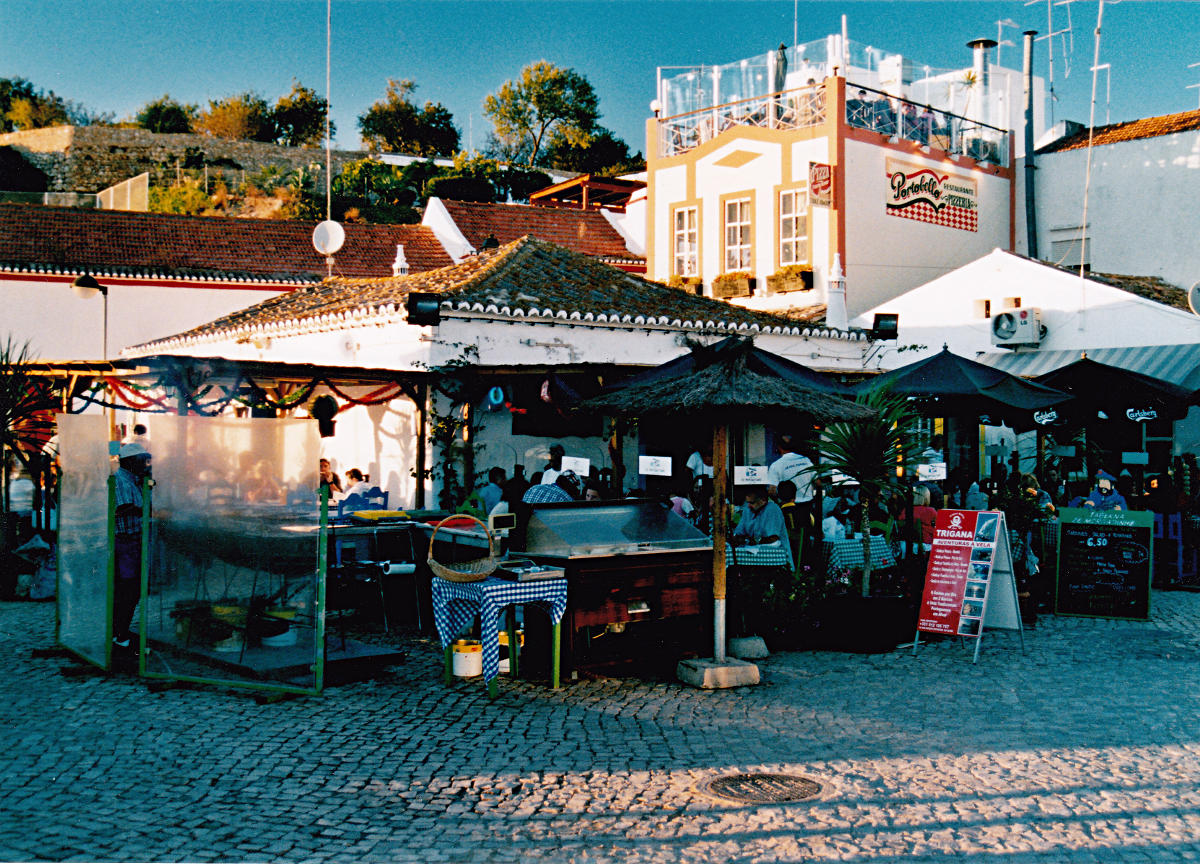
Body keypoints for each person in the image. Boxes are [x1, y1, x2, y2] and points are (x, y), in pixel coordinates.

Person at [113, 442, 152, 651]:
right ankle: (119, 634)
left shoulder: (135, 481)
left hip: (134, 541)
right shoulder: (121, 480)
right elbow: (123, 508)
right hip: (124, 542)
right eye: (141, 461)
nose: (145, 465)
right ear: (129, 462)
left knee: (133, 589)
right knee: (127, 589)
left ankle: (121, 631)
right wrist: (147, 510)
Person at [731, 486, 792, 569]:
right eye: (748, 502)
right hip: (751, 550)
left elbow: (773, 538)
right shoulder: (747, 510)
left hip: (774, 554)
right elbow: (739, 533)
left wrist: (751, 540)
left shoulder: (772, 509)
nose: (748, 506)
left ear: (763, 500)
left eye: (752, 503)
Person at [767, 432, 818, 527]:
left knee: (792, 535)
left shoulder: (776, 465)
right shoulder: (806, 460)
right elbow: (818, 482)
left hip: (789, 507)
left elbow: (772, 491)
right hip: (808, 505)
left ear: (779, 447)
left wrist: (779, 501)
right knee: (806, 535)